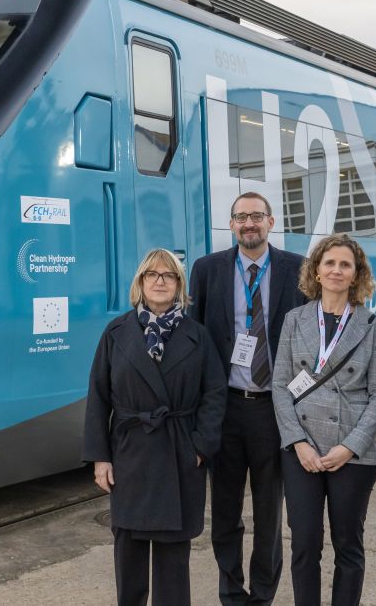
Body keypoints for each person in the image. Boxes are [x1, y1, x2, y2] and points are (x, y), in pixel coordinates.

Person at [83, 248, 227, 606]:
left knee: (173, 555)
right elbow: (99, 396)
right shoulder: (116, 332)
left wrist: (200, 446)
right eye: (153, 275)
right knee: (129, 551)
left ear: (179, 284)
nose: (160, 281)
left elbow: (215, 393)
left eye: (169, 275)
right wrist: (101, 457)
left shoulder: (197, 335)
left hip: (179, 451)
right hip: (130, 452)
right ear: (141, 283)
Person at [188, 192, 305, 605]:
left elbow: (311, 341)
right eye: (241, 217)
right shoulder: (207, 270)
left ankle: (263, 595)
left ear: (271, 221)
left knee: (270, 512)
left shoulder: (298, 269)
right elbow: (195, 340)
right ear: (232, 224)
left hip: (275, 408)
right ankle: (230, 591)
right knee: (224, 509)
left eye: (257, 216)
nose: (249, 224)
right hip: (226, 408)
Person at [271, 233, 376, 606]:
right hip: (302, 450)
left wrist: (350, 447)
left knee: (348, 546)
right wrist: (298, 442)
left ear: (356, 275)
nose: (337, 270)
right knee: (304, 543)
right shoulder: (295, 320)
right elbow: (280, 386)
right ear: (317, 272)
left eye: (345, 265)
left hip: (351, 452)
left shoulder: (373, 326)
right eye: (330, 263)